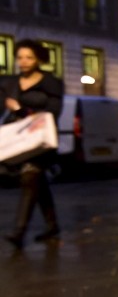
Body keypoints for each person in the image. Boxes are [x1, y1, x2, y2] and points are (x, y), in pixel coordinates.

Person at [1, 39, 64, 249]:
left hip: (39, 141)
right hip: (18, 140)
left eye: (29, 57)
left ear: (38, 59)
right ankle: (52, 226)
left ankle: (18, 232)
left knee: (30, 177)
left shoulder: (51, 82)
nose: (24, 62)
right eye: (20, 57)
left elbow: (53, 112)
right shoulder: (10, 83)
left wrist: (21, 110)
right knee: (38, 183)